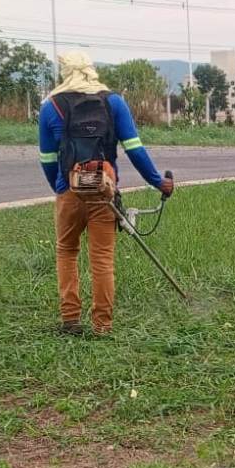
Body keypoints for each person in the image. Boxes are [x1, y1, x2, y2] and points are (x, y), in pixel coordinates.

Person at [37, 51, 175, 335]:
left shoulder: (51, 106)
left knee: (67, 251)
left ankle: (71, 320)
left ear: (65, 72)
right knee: (102, 258)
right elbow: (134, 148)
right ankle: (102, 325)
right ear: (91, 69)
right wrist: (158, 182)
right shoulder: (113, 102)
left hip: (69, 191)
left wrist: (61, 189)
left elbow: (47, 159)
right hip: (104, 192)